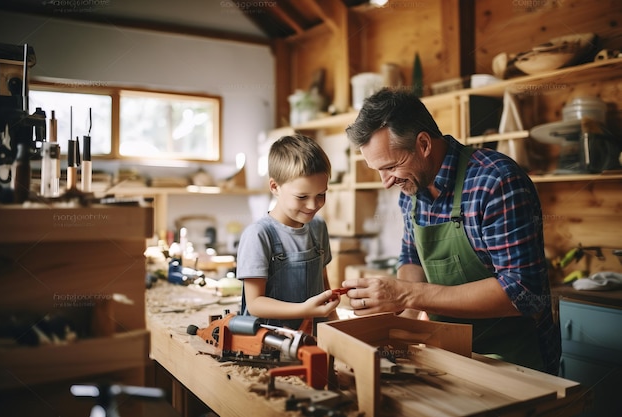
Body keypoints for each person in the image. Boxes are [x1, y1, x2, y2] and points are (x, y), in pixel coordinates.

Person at [342, 87, 561, 375]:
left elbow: (523, 292)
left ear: (423, 144)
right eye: (378, 170)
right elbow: (412, 258)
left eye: (392, 166)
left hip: (515, 361)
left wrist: (407, 295)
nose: (386, 182)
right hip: (449, 355)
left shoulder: (495, 181)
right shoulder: (411, 189)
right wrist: (398, 328)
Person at [236, 134, 340, 333]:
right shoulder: (259, 235)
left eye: (321, 194)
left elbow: (323, 280)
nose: (313, 205)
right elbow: (255, 303)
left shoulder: (318, 227)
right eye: (302, 196)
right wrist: (304, 309)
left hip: (313, 336)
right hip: (269, 340)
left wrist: (334, 322)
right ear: (275, 187)